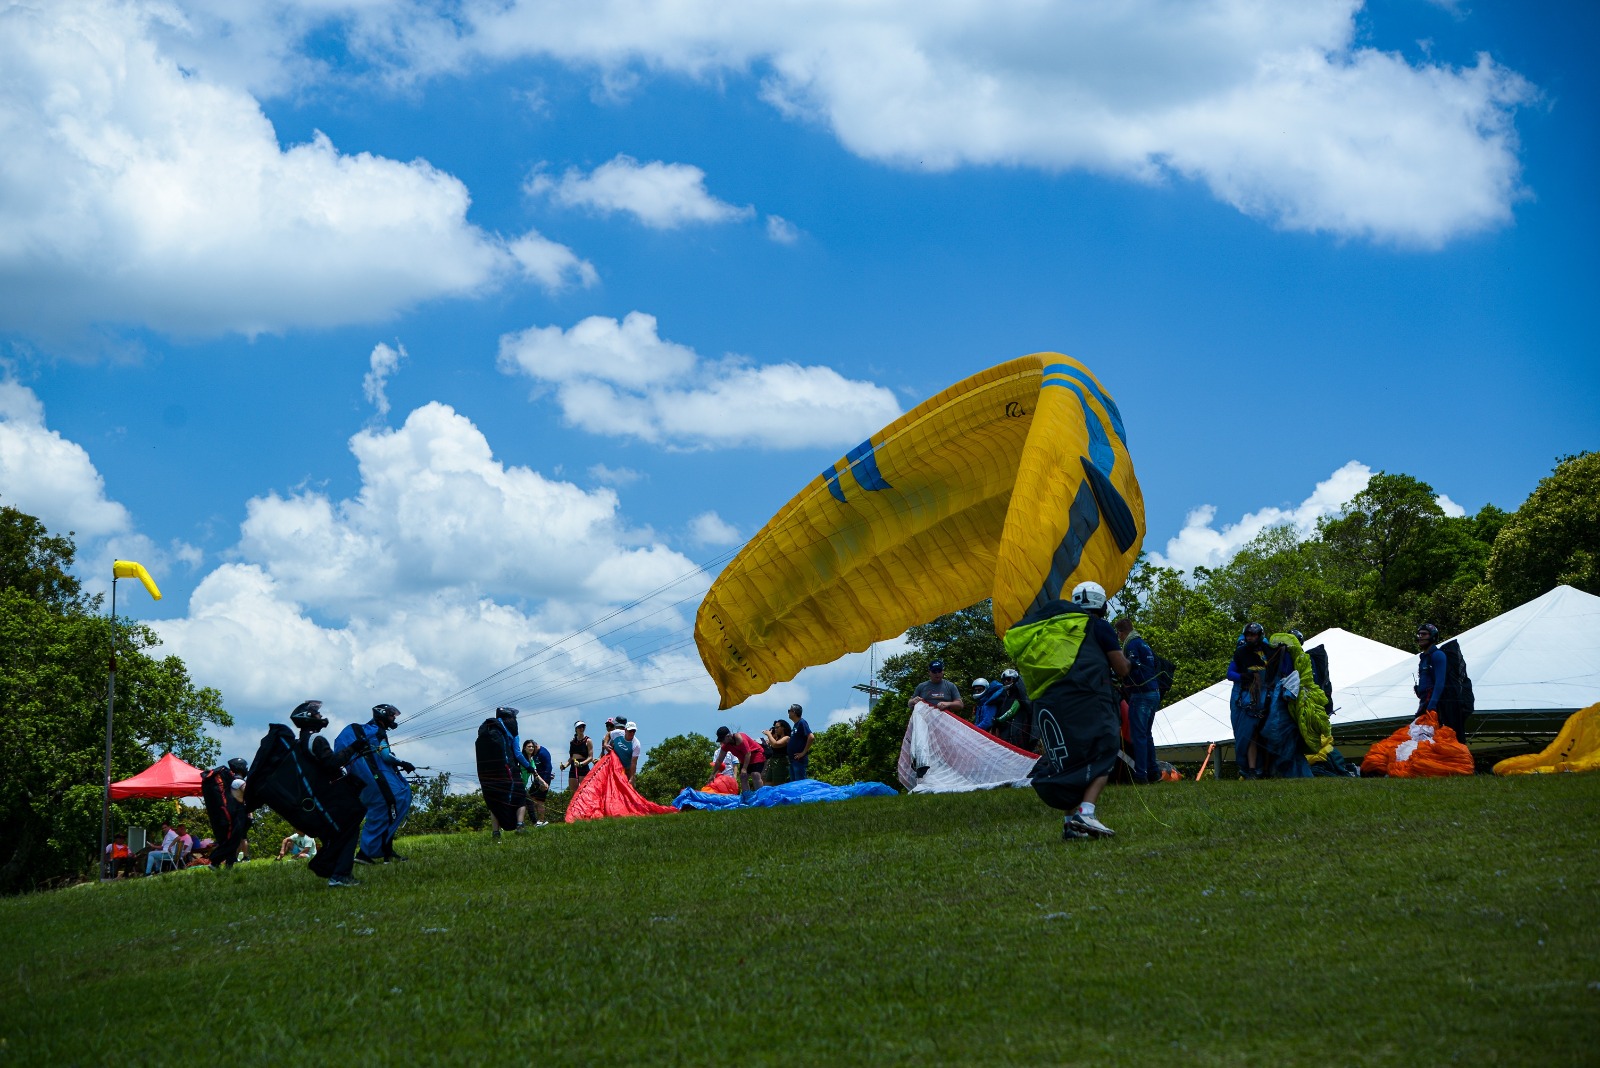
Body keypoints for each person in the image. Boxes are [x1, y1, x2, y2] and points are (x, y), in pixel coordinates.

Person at [1003, 580, 1130, 840]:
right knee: (1104, 749)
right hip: (1087, 698)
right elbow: (1122, 669)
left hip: (1049, 700)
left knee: (1068, 758)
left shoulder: (1052, 630)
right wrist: (1131, 662)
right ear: (1102, 604)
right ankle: (1087, 811)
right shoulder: (1098, 626)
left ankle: (1070, 823)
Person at [334, 702, 416, 866]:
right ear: (384, 716)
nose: (394, 718)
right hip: (375, 779)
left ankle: (382, 851)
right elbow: (386, 756)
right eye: (392, 715)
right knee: (394, 803)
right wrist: (404, 763)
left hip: (363, 780)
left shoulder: (368, 731)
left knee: (386, 809)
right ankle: (370, 853)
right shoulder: (378, 732)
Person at [1114, 618, 1161, 785]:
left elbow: (1130, 665)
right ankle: (1154, 772)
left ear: (1121, 632)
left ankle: (1141, 775)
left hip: (1141, 694)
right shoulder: (1143, 643)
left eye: (1118, 633)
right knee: (1147, 735)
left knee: (1138, 736)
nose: (1118, 637)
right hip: (1154, 692)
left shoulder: (1131, 644)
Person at [476, 707, 532, 841]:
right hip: (508, 769)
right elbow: (517, 753)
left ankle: (495, 833)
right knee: (521, 797)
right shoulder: (511, 729)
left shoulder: (489, 728)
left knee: (494, 800)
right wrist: (529, 767)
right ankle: (520, 826)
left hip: (488, 772)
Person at [1227, 624, 1272, 779]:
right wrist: (1243, 677)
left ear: (1259, 635)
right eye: (1247, 635)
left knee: (1266, 733)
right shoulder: (1241, 653)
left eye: (1253, 635)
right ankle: (1252, 769)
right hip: (1248, 698)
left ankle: (1266, 769)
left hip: (1267, 697)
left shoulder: (1269, 651)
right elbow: (1230, 673)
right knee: (1250, 733)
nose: (1249, 638)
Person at [201, 756, 252, 871]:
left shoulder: (232, 781)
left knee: (233, 840)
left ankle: (228, 865)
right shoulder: (238, 781)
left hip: (233, 813)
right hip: (237, 813)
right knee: (233, 840)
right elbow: (248, 794)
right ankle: (215, 860)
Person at [712, 727, 766, 795]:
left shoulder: (740, 738)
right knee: (743, 777)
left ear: (728, 736)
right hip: (744, 758)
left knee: (755, 774)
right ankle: (747, 797)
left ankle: (761, 796)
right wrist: (713, 774)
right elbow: (719, 760)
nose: (722, 742)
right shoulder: (726, 745)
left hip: (756, 754)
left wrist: (744, 768)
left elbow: (748, 753)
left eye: (722, 739)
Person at [992, 667, 1035, 748]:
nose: (1006, 682)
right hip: (1008, 733)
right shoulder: (1006, 695)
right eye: (1004, 680)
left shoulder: (1020, 693)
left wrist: (999, 720)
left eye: (1008, 679)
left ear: (1014, 680)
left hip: (1020, 731)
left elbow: (1012, 711)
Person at [1414, 622, 1449, 722]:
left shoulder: (1438, 655)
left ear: (1433, 636)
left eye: (1424, 634)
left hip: (1435, 706)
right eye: (1419, 634)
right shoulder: (1423, 658)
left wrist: (1432, 706)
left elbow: (1440, 682)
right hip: (1424, 702)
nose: (1420, 637)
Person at [520, 739, 552, 828]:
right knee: (527, 802)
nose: (531, 748)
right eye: (529, 747)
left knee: (526, 802)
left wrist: (544, 782)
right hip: (516, 784)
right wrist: (544, 782)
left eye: (532, 747)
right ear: (524, 748)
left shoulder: (532, 760)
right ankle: (532, 823)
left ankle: (525, 824)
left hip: (522, 785)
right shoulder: (522, 758)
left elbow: (535, 774)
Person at [562, 720, 594, 793]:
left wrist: (581, 764)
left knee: (584, 791)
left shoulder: (588, 741)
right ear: (576, 729)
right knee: (573, 791)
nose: (581, 729)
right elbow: (571, 757)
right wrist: (564, 766)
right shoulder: (572, 742)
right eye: (579, 727)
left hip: (583, 766)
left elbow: (590, 757)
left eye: (583, 727)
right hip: (573, 766)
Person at [786, 703, 813, 781]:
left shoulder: (802, 722)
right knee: (794, 785)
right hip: (793, 760)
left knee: (800, 784)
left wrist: (803, 753)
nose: (788, 713)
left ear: (794, 712)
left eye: (789, 711)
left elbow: (811, 737)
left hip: (799, 760)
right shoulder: (795, 725)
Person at [761, 719, 791, 784]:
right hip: (773, 762)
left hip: (781, 762)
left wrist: (769, 735)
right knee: (768, 782)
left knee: (778, 783)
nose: (775, 729)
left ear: (783, 728)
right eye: (775, 728)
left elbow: (775, 744)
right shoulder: (777, 738)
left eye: (777, 727)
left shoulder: (787, 737)